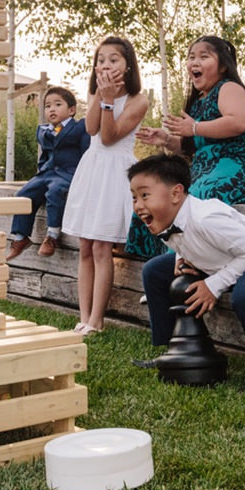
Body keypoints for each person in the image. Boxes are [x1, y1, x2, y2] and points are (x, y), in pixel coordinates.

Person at [129, 153, 245, 391]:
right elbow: (185, 236)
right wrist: (182, 255)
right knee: (155, 271)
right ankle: (174, 351)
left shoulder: (207, 219)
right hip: (222, 261)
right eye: (134, 197)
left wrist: (213, 286)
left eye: (145, 195)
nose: (138, 205)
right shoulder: (166, 217)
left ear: (176, 193)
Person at [127, 35, 245, 260]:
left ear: (222, 65)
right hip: (203, 170)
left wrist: (195, 127)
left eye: (204, 56)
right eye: (191, 58)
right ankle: (155, 262)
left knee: (193, 200)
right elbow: (194, 146)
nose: (194, 62)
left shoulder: (229, 88)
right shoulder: (199, 101)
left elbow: (238, 123)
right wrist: (167, 140)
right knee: (158, 197)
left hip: (236, 166)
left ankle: (178, 262)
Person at [61, 36, 149, 335]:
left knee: (102, 246)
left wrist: (110, 100)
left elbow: (111, 137)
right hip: (93, 167)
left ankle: (97, 320)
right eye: (101, 59)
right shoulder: (96, 92)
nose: (106, 65)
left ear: (127, 66)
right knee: (85, 245)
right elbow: (91, 129)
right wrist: (100, 96)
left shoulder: (139, 99)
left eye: (113, 60)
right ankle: (83, 316)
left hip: (116, 171)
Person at [6, 87, 91, 260]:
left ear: (72, 110)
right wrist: (41, 171)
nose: (51, 109)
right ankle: (21, 237)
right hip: (47, 172)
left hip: (68, 174)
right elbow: (44, 155)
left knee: (55, 192)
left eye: (58, 104)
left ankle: (52, 235)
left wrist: (84, 179)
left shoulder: (80, 128)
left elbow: (86, 153)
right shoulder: (44, 130)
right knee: (23, 194)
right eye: (47, 106)